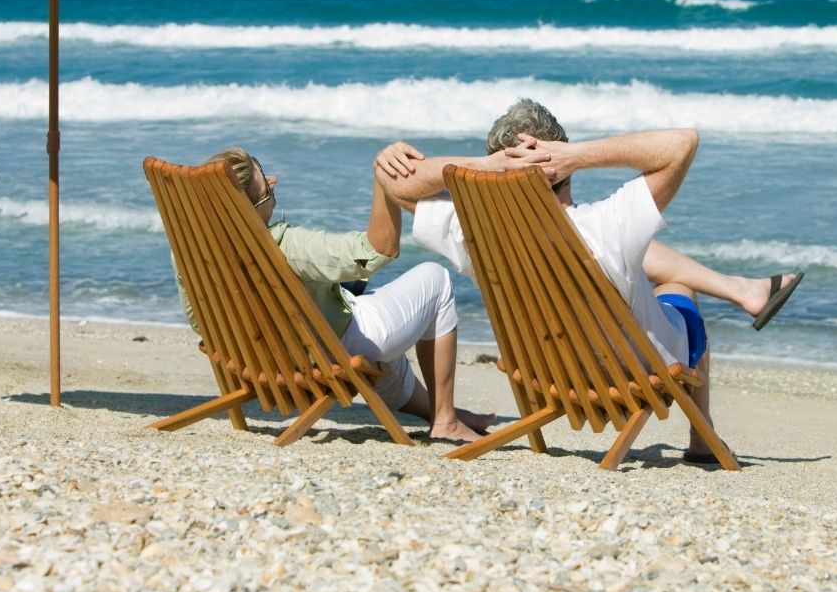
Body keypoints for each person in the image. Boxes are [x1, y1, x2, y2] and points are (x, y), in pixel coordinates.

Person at [372, 98, 804, 462]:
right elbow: (681, 142)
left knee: (639, 257)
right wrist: (576, 154)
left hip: (546, 375)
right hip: (633, 371)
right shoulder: (608, 224)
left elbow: (398, 184)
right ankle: (701, 435)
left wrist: (483, 166)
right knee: (676, 291)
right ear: (561, 165)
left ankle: (742, 290)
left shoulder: (471, 233)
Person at [171, 145, 494, 443]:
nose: (274, 180)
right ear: (248, 210)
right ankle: (445, 422)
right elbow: (377, 251)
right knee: (434, 279)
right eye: (266, 187)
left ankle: (442, 412)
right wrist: (383, 182)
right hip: (323, 354)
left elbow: (199, 323)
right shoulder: (285, 247)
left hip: (261, 358)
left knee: (380, 323)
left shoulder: (187, 250)